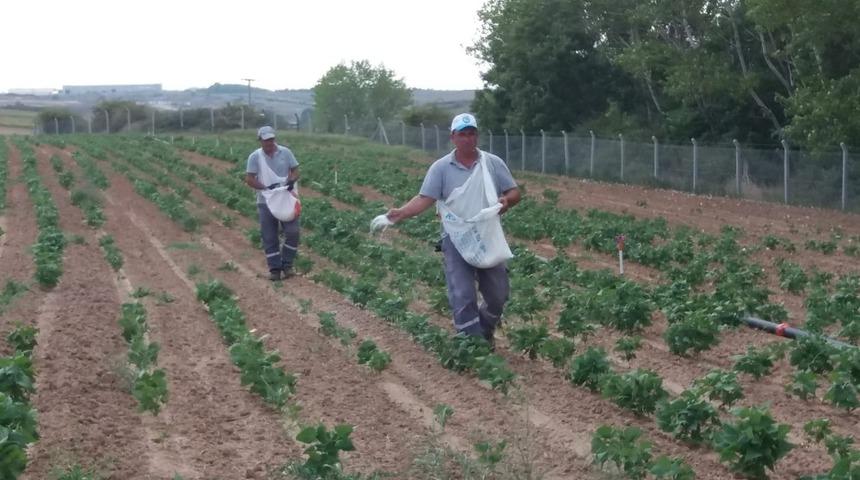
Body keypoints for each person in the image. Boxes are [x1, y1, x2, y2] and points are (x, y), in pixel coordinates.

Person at [385, 113, 521, 346]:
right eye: (462, 134)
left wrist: (507, 201)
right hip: (456, 238)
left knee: (498, 294)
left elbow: (514, 192)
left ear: (477, 135)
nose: (468, 139)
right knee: (463, 293)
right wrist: (402, 212)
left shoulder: (492, 163)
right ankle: (470, 343)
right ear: (453, 137)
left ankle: (485, 328)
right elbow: (425, 198)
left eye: (471, 133)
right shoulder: (441, 168)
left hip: (487, 236)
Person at [245, 125, 301, 281]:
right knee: (269, 236)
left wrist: (292, 180)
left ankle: (287, 264)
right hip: (266, 201)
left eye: (271, 140)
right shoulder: (255, 157)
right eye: (266, 141)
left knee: (293, 232)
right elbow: (249, 179)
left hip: (286, 198)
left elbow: (296, 170)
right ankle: (275, 269)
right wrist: (264, 188)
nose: (270, 143)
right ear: (260, 141)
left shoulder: (285, 153)